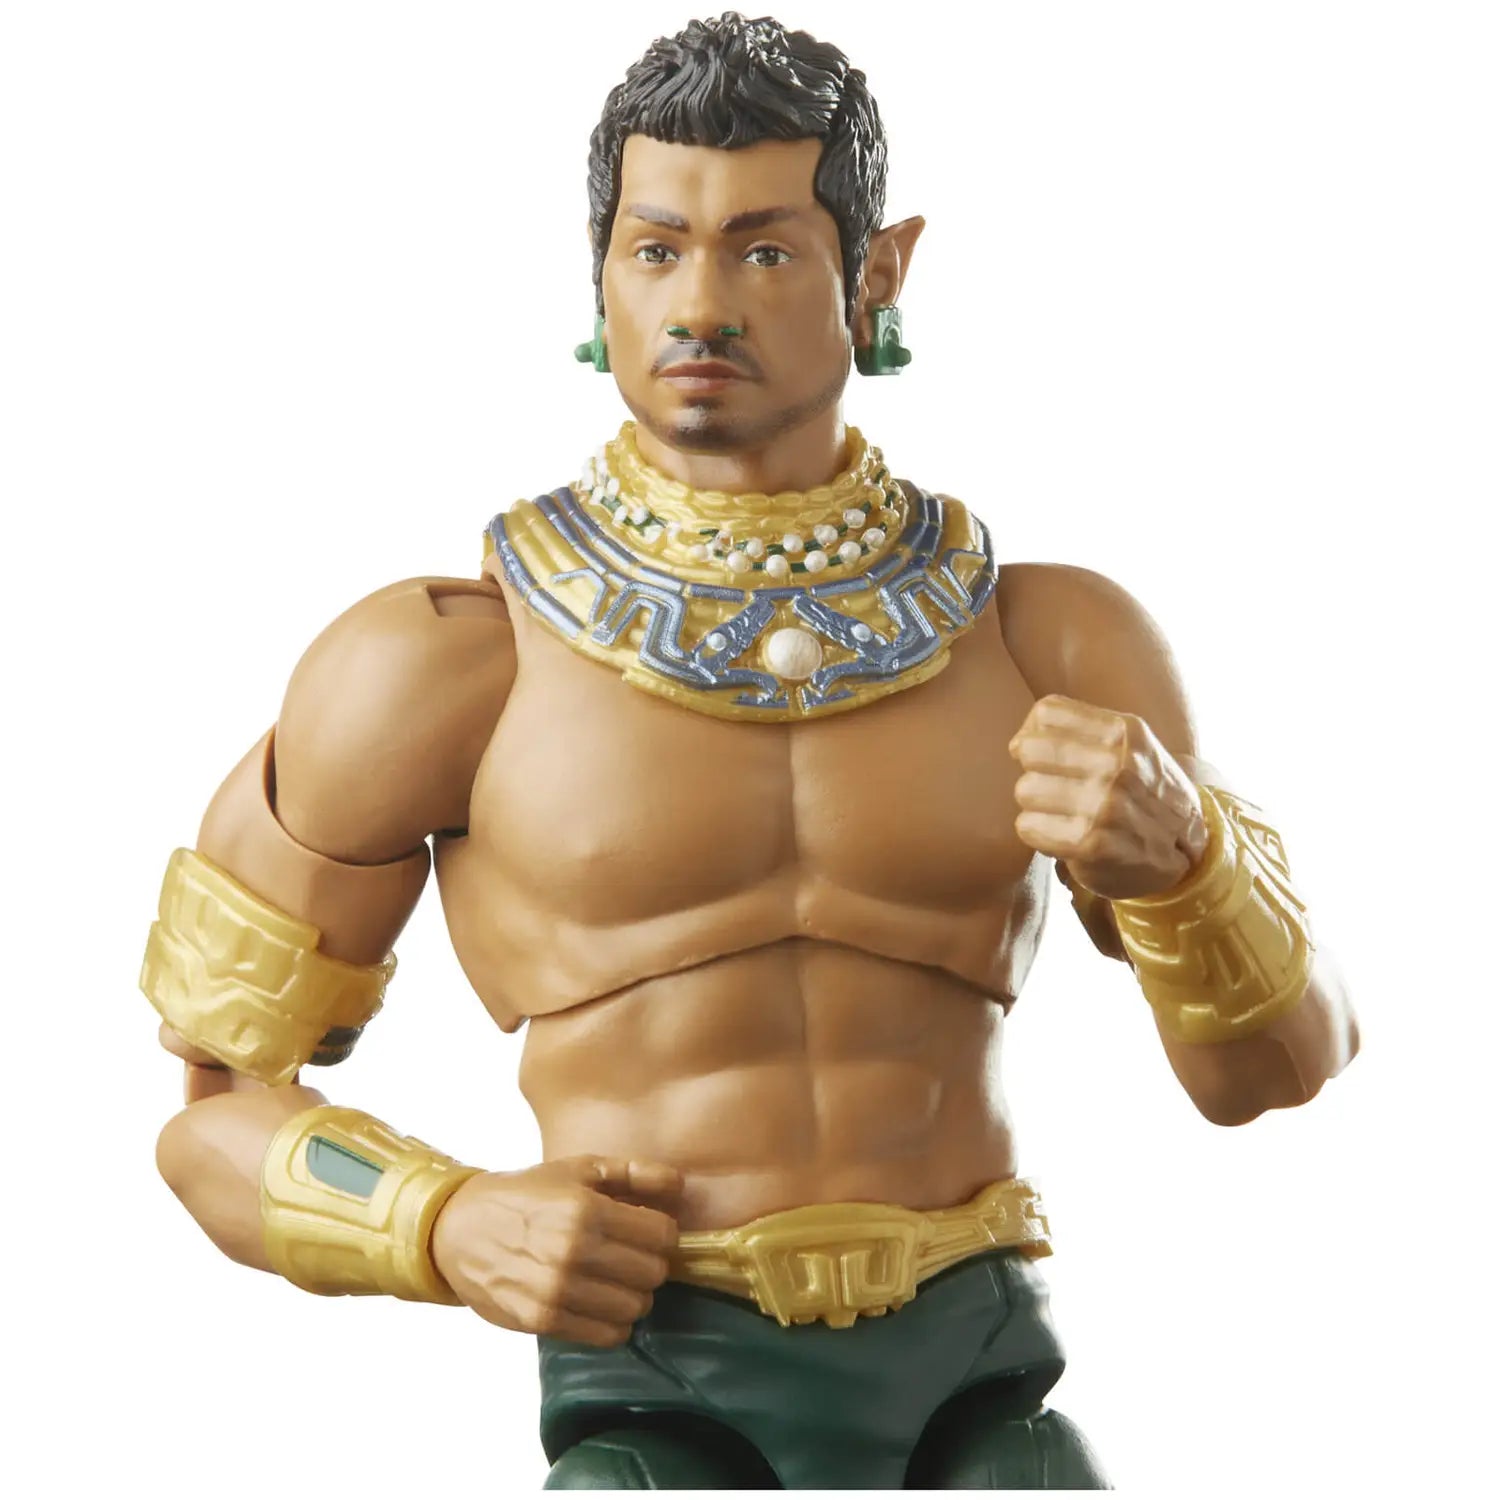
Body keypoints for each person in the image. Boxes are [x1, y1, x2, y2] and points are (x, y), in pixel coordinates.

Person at [143, 12, 1359, 1490]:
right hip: (655, 1372)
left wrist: (1190, 866)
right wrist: (440, 1220)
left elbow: (1274, 1072)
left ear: (879, 272)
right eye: (658, 250)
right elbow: (210, 1121)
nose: (701, 306)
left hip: (981, 1361)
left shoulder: (1053, 640)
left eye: (765, 251)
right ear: (598, 269)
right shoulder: (439, 664)